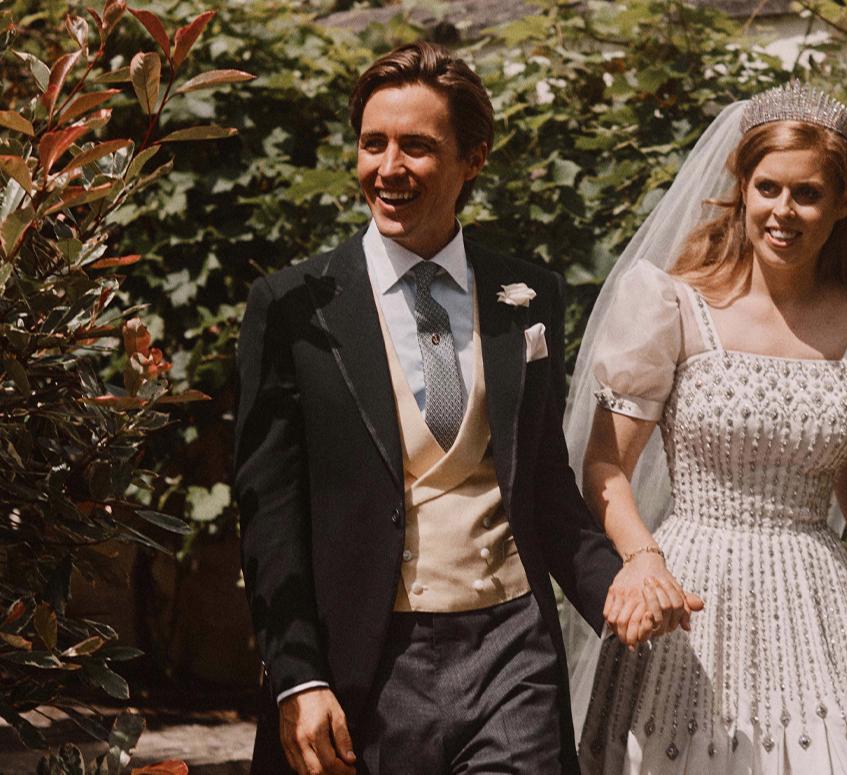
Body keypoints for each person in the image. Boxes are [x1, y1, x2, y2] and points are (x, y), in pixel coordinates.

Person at [235, 41, 633, 775]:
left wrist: (621, 588)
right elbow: (271, 516)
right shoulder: (292, 306)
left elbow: (544, 485)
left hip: (513, 648)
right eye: (373, 144)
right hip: (369, 660)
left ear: (472, 159)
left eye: (416, 147)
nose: (388, 168)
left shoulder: (530, 296)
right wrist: (297, 676)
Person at [563, 82, 847, 773]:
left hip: (816, 601)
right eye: (768, 187)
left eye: (807, 193)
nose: (783, 210)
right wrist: (643, 559)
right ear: (742, 187)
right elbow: (605, 466)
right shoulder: (672, 306)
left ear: (842, 203)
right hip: (691, 593)